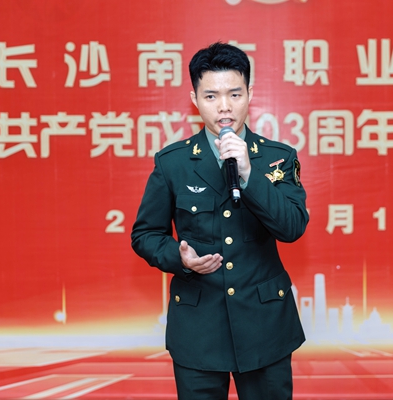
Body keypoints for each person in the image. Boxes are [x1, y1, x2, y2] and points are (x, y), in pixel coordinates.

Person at [131, 42, 309, 400]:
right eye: (211, 96)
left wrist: (249, 173)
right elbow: (145, 234)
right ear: (195, 100)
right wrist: (179, 258)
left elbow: (292, 227)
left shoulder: (277, 158)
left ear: (250, 95)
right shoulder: (172, 162)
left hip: (265, 325)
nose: (224, 106)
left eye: (234, 94)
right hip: (198, 328)